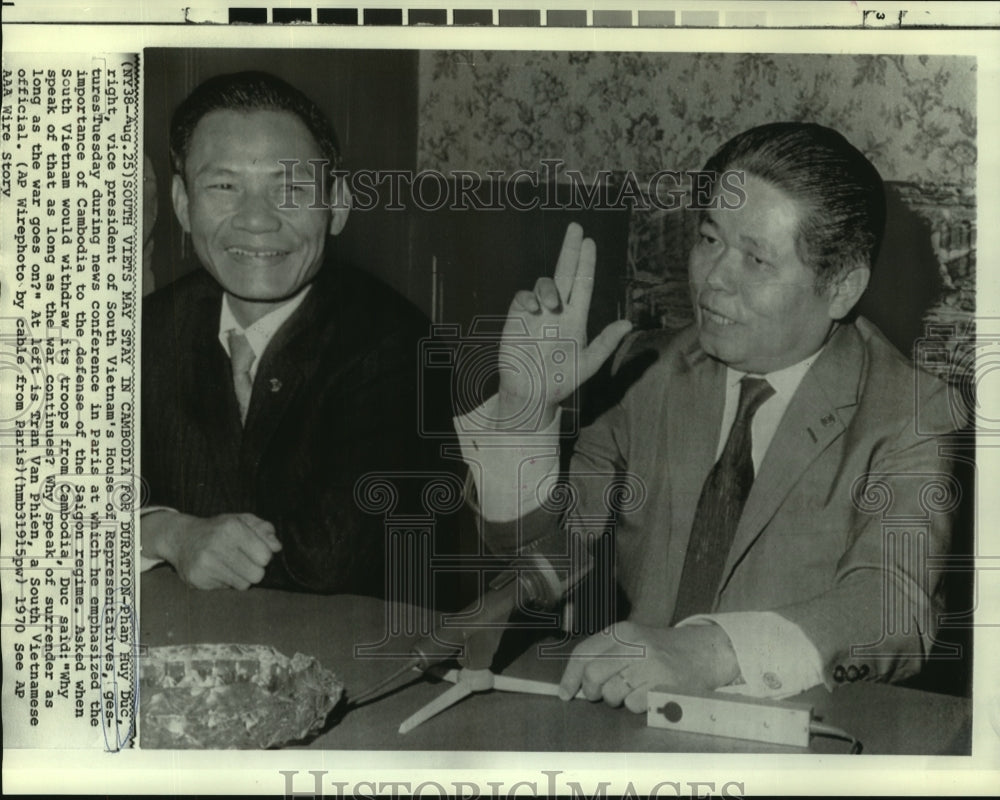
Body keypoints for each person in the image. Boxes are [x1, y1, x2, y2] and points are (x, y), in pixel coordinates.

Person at [458, 122, 960, 709]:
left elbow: (893, 607)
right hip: (629, 726)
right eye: (710, 238)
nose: (714, 279)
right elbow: (546, 563)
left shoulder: (911, 411)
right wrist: (525, 417)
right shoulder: (646, 369)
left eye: (756, 258)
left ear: (843, 288)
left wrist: (708, 651)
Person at [140, 71, 458, 597]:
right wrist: (166, 532)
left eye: (290, 188)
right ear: (181, 203)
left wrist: (184, 539)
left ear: (337, 205)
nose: (257, 221)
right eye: (224, 186)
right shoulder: (144, 332)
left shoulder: (396, 346)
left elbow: (327, 560)